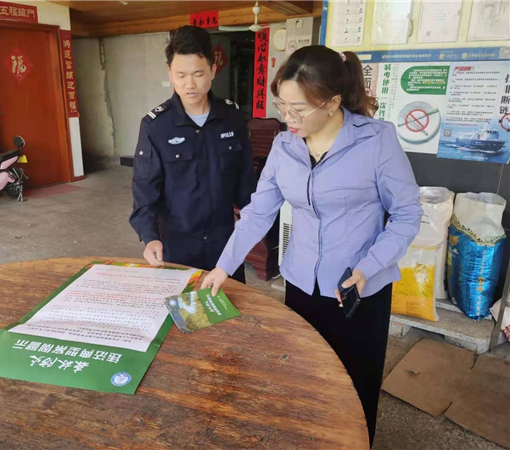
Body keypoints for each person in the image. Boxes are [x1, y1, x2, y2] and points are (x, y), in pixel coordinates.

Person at [201, 45, 422, 446]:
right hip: (302, 282)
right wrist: (223, 267)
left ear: (333, 103)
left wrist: (368, 266)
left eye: (299, 109)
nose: (288, 118)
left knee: (355, 383)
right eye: (282, 106)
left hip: (357, 288)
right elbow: (258, 212)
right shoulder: (285, 146)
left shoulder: (376, 141)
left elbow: (407, 214)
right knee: (305, 378)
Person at [129, 26, 256, 281]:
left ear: (213, 70)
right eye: (181, 75)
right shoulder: (156, 126)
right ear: (169, 72)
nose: (190, 84)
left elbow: (245, 179)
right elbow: (144, 189)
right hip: (176, 246)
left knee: (230, 302)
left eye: (198, 74)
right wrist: (150, 237)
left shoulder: (232, 118)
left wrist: (252, 218)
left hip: (224, 246)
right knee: (180, 304)